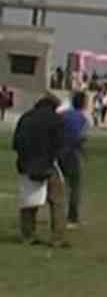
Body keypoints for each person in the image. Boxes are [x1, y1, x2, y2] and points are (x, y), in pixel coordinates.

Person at [13, 93, 69, 247]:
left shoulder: (26, 118)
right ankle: (57, 238)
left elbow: (16, 143)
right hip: (48, 165)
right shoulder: (56, 120)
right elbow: (61, 145)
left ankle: (28, 235)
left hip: (26, 165)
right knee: (57, 201)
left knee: (29, 202)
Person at [59, 91, 90, 228]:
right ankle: (72, 218)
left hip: (58, 153)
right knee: (75, 187)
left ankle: (56, 214)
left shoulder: (63, 115)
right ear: (83, 103)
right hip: (72, 154)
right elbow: (79, 138)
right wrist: (83, 152)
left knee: (58, 185)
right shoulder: (82, 119)